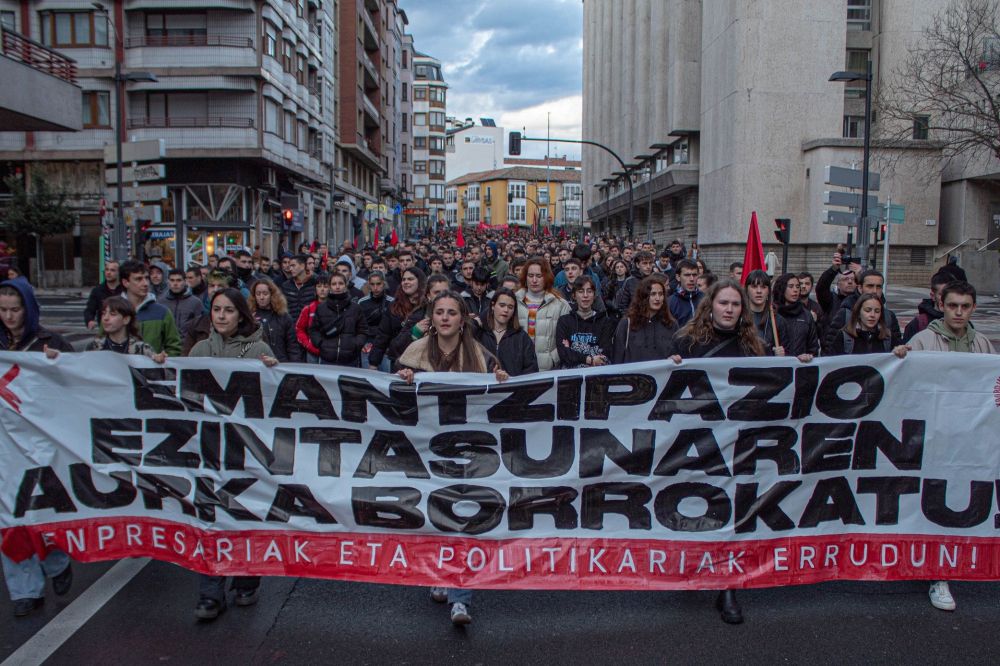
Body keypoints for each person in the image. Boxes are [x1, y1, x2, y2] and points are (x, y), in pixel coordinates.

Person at [396, 292, 509, 626]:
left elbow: (502, 396)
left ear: (463, 319)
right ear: (432, 318)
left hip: (469, 450)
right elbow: (392, 400)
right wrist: (403, 380)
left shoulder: (480, 355)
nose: (445, 318)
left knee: (464, 520)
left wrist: (501, 380)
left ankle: (461, 597)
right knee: (434, 516)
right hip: (426, 452)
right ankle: (440, 575)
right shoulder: (414, 354)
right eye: (439, 312)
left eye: (452, 313)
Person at [893, 281, 996, 612]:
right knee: (933, 502)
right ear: (942, 304)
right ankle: (938, 574)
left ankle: (954, 562)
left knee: (963, 503)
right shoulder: (923, 341)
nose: (959, 312)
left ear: (973, 308)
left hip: (970, 440)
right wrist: (899, 358)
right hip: (934, 439)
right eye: (953, 306)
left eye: (965, 306)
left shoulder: (983, 345)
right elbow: (905, 383)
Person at [669, 278, 767, 625]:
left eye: (735, 304)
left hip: (739, 443)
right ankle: (694, 568)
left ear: (743, 311)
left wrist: (796, 367)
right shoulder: (688, 342)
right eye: (723, 303)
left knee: (733, 511)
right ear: (710, 305)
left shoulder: (756, 348)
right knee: (697, 505)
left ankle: (728, 586)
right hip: (698, 442)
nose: (729, 309)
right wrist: (672, 365)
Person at [189, 288, 277, 621]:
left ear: (241, 314)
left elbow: (274, 402)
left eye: (229, 310)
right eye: (216, 309)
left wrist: (273, 370)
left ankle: (245, 580)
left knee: (244, 517)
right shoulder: (199, 350)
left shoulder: (259, 350)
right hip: (208, 449)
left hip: (247, 452)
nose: (222, 316)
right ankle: (210, 593)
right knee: (211, 520)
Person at [0, 277, 75, 617]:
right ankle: (24, 591)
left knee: (42, 511)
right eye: (2, 310)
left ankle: (57, 562)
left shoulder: (50, 341)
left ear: (28, 310)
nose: (9, 317)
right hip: (5, 446)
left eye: (15, 310)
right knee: (9, 518)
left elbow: (78, 381)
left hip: (41, 444)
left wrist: (58, 363)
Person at [515, 257, 571, 371]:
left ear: (546, 277)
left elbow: (568, 337)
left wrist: (553, 358)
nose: (534, 280)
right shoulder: (513, 301)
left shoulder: (561, 305)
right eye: (530, 276)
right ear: (525, 277)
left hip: (548, 369)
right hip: (519, 368)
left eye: (539, 276)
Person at [119, 260, 182, 356]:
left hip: (152, 370)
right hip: (120, 369)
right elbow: (102, 344)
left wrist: (163, 363)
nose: (145, 283)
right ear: (125, 282)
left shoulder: (162, 312)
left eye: (146, 278)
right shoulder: (112, 310)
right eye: (138, 279)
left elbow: (174, 347)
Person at [369, 267, 426, 371]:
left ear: (420, 281)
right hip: (398, 361)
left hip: (421, 362)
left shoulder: (427, 305)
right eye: (404, 279)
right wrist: (374, 362)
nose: (406, 282)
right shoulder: (394, 306)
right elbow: (383, 335)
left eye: (410, 279)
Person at [612, 275, 677, 363]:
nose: (657, 298)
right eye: (653, 294)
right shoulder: (627, 324)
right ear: (644, 296)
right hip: (633, 375)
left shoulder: (671, 324)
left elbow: (676, 353)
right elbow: (617, 357)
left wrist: (673, 359)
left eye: (660, 294)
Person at [308, 272, 368, 367]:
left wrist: (355, 345)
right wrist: (320, 344)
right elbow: (314, 330)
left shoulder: (355, 308)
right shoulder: (321, 308)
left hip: (350, 360)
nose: (337, 287)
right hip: (327, 359)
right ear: (330, 286)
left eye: (340, 283)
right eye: (334, 284)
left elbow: (363, 330)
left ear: (345, 285)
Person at [474, 288, 538, 375]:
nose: (506, 310)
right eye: (502, 305)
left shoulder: (522, 337)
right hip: (484, 387)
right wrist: (475, 322)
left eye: (510, 307)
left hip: (513, 388)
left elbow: (531, 370)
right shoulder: (480, 333)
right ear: (493, 306)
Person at [557, 276, 616, 368]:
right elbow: (563, 354)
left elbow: (604, 355)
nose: (585, 295)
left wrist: (573, 349)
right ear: (574, 295)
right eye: (580, 291)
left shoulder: (605, 322)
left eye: (589, 291)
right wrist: (590, 359)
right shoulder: (564, 321)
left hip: (596, 376)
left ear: (594, 295)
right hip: (570, 377)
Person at [86, 297, 166, 361]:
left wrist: (157, 359)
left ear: (126, 319)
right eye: (104, 313)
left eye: (112, 314)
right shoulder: (93, 347)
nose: (105, 318)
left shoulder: (142, 349)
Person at [824, 294, 900, 355]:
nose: (872, 315)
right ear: (858, 313)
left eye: (877, 311)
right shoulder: (844, 337)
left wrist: (900, 352)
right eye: (867, 310)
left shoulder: (888, 337)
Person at [250, 278, 301, 362]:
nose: (261, 297)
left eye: (265, 293)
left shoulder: (284, 317)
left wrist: (295, 369)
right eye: (258, 294)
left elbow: (292, 347)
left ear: (272, 294)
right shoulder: (250, 316)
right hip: (257, 364)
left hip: (280, 364)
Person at [771, 273, 819, 360]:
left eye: (797, 286)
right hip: (777, 368)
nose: (795, 290)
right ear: (782, 288)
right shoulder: (772, 314)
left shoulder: (806, 315)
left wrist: (808, 356)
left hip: (800, 368)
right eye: (791, 286)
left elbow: (813, 346)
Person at [358, 271, 394, 370]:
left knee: (385, 378)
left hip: (386, 346)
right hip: (367, 345)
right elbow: (359, 326)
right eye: (372, 284)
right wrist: (363, 343)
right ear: (369, 284)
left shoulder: (392, 302)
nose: (375, 287)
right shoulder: (362, 302)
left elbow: (393, 327)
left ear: (384, 283)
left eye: (378, 284)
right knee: (368, 379)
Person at [902, 270, 950, 342]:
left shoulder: (964, 324)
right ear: (933, 296)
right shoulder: (917, 324)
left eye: (950, 294)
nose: (947, 298)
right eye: (942, 294)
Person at [158, 268, 203, 339]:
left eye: (179, 280)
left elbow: (200, 328)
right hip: (167, 346)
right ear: (168, 282)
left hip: (188, 345)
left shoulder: (195, 302)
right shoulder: (161, 302)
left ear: (185, 281)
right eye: (172, 280)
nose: (175, 284)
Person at [84, 260, 123, 329]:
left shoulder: (125, 290)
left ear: (119, 273)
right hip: (104, 329)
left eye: (112, 270)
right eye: (107, 270)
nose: (108, 272)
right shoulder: (97, 290)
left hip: (122, 327)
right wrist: (90, 321)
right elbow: (90, 309)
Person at [280, 254, 318, 323]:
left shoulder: (314, 283)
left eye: (293, 265)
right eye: (290, 266)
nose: (290, 268)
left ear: (302, 266)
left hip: (310, 328)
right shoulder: (286, 285)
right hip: (291, 328)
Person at [668, 259, 703, 327]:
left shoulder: (705, 299)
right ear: (678, 277)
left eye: (694, 275)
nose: (692, 279)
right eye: (687, 275)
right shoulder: (670, 303)